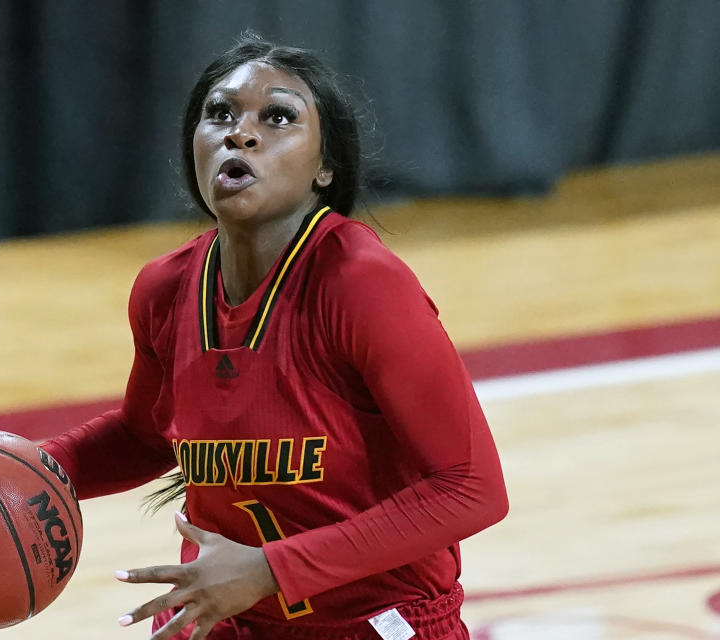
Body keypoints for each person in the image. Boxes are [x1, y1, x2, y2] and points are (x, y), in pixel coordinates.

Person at [41, 32, 508, 640]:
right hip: (221, 619)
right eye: (220, 114)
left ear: (324, 167)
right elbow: (144, 435)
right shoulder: (164, 288)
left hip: (372, 624)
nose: (240, 132)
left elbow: (471, 488)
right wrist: (20, 470)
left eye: (278, 117)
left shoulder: (360, 283)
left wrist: (268, 570)